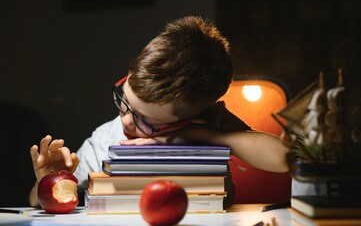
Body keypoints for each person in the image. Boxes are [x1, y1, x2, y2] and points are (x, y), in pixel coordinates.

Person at [29, 16, 289, 207]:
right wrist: (46, 181)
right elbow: (38, 202)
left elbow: (286, 157)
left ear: (190, 118)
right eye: (123, 99)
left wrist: (200, 134)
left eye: (145, 121)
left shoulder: (205, 123)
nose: (126, 122)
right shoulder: (105, 138)